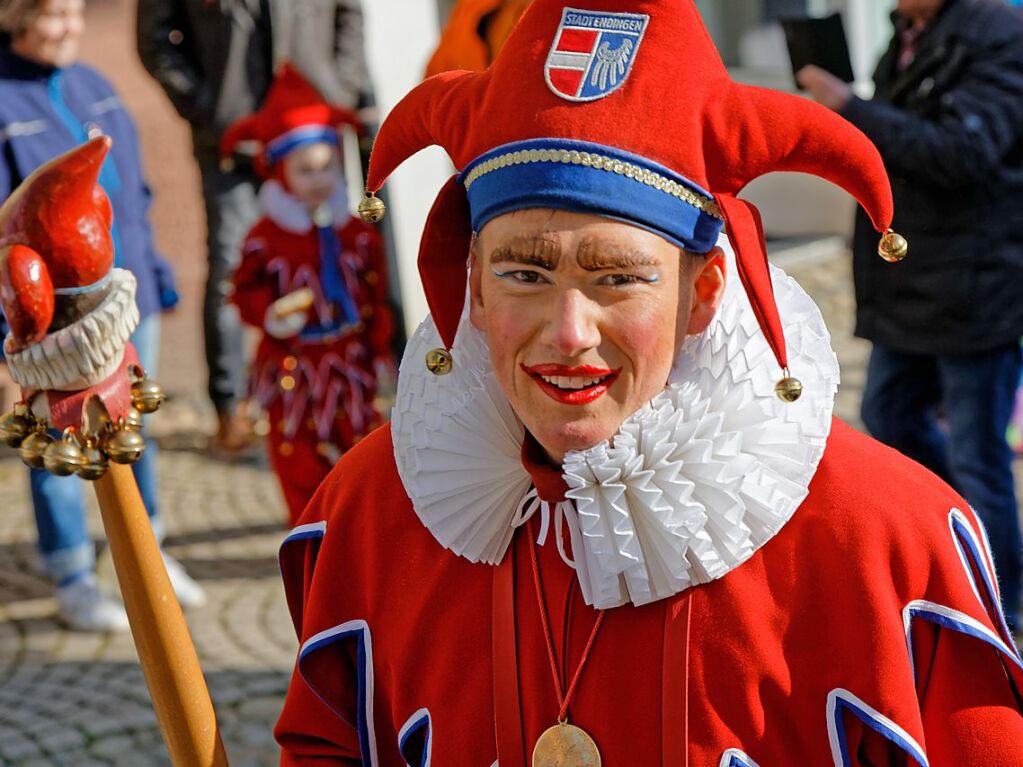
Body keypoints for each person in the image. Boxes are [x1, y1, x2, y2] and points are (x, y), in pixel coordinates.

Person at [275, 1, 1023, 763]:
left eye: (616, 277)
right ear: (469, 287)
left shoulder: (886, 541)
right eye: (524, 272)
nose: (568, 332)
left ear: (701, 293)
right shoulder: (367, 512)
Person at [797, 0, 1023, 632]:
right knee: (889, 414)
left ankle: (998, 601)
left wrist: (851, 108)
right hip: (912, 281)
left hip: (977, 283)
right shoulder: (910, 28)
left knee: (980, 454)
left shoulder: (1000, 34)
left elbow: (963, 154)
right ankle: (952, 538)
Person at [0, 0, 205, 631]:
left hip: (121, 298)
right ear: (13, 15)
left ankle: (149, 553)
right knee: (60, 444)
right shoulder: (3, 103)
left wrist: (158, 273)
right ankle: (72, 574)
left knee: (133, 432)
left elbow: (133, 191)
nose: (70, 28)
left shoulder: (95, 84)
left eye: (74, 13)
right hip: (51, 327)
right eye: (53, 16)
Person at [135, 0, 368, 453]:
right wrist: (207, 107)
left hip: (309, 130)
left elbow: (349, 12)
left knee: (330, 255)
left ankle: (344, 388)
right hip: (231, 141)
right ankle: (231, 405)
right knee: (230, 263)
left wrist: (339, 88)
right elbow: (154, 40)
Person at [223, 64, 393, 526]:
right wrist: (269, 314)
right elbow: (242, 293)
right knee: (295, 452)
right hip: (293, 365)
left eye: (326, 167)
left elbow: (375, 295)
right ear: (280, 172)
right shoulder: (264, 237)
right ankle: (310, 532)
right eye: (304, 169)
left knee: (363, 449)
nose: (318, 178)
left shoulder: (356, 232)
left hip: (349, 363)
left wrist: (380, 351)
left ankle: (365, 529)